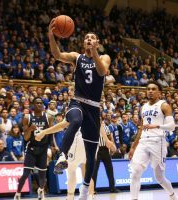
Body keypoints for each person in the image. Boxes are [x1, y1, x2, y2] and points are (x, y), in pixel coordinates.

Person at [48, 18, 111, 199]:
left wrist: (95, 53)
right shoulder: (77, 57)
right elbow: (57, 54)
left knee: (92, 156)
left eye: (93, 38)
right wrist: (51, 36)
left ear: (97, 43)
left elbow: (102, 72)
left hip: (94, 108)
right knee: (74, 119)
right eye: (87, 38)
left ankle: (84, 190)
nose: (89, 40)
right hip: (77, 101)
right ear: (83, 42)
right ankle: (62, 156)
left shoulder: (104, 57)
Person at [35, 118, 116, 200]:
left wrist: (44, 132)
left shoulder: (75, 108)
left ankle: (70, 197)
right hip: (93, 142)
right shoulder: (94, 107)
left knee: (71, 170)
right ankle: (91, 196)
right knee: (87, 173)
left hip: (79, 139)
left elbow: (62, 125)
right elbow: (100, 124)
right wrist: (106, 140)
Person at [128, 81, 178, 200]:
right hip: (143, 142)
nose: (150, 91)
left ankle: (173, 196)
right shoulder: (144, 107)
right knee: (135, 172)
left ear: (159, 93)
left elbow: (171, 126)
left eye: (153, 89)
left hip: (158, 142)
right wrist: (133, 147)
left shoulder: (164, 105)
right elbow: (141, 129)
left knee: (159, 178)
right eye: (148, 89)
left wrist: (157, 126)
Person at [14, 97, 53, 200]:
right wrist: (30, 129)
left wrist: (52, 145)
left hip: (43, 149)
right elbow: (26, 137)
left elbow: (51, 133)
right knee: (26, 173)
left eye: (41, 103)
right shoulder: (27, 117)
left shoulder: (48, 117)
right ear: (33, 105)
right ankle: (18, 193)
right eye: (37, 103)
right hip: (31, 148)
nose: (39, 105)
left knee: (42, 175)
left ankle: (41, 191)